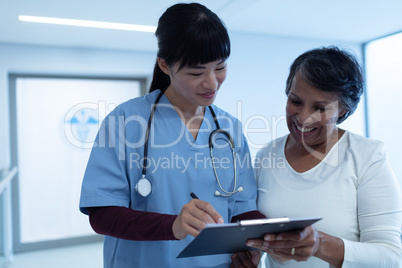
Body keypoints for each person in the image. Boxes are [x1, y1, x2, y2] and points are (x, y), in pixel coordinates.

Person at [79, 3, 265, 268]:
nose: (212, 83)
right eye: (197, 72)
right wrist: (173, 226)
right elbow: (102, 215)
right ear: (165, 65)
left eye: (220, 67)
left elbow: (241, 209)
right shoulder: (124, 122)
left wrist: (262, 239)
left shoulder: (229, 128)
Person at [245, 46, 402, 267]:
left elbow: (391, 258)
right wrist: (253, 254)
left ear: (343, 110)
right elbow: (263, 241)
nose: (303, 117)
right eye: (295, 101)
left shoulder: (367, 157)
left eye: (320, 108)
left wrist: (320, 246)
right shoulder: (266, 155)